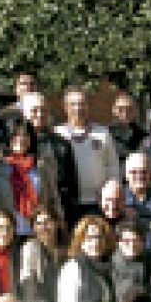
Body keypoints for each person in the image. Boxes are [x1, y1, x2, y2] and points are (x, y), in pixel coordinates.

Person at [0, 117, 61, 238]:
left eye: (25, 135)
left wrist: (58, 223)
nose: (21, 139)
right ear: (7, 138)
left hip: (38, 232)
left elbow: (53, 198)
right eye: (16, 135)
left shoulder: (41, 165)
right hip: (6, 234)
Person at [54, 87, 120, 221]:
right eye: (73, 104)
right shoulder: (57, 133)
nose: (78, 108)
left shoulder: (102, 133)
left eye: (82, 103)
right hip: (68, 203)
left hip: (99, 202)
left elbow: (113, 166)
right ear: (65, 107)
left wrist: (112, 191)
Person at [22, 92, 78, 229]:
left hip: (53, 215)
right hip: (22, 215)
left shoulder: (61, 144)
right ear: (24, 113)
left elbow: (71, 184)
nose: (40, 114)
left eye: (44, 110)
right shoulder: (14, 144)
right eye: (34, 110)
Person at [109, 92, 146, 166]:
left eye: (130, 109)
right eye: (121, 109)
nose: (125, 113)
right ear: (114, 110)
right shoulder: (106, 134)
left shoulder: (143, 136)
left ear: (135, 111)